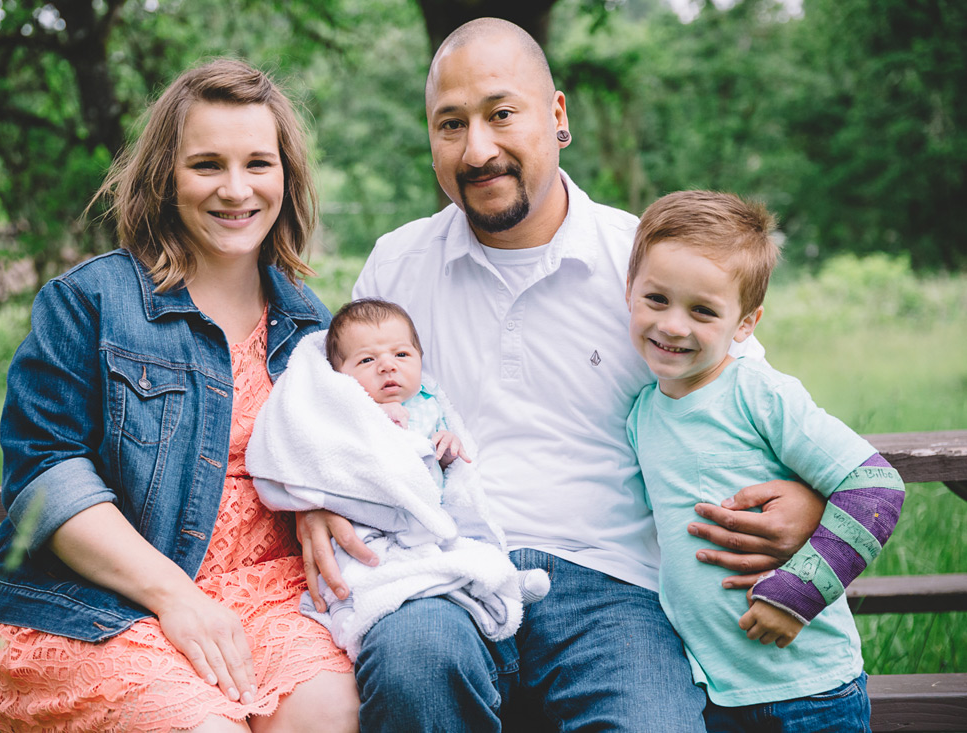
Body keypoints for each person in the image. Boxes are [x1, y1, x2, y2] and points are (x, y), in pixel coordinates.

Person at [297, 17, 830, 733]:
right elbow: (334, 414)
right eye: (450, 124)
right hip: (443, 574)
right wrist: (312, 495)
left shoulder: (642, 262)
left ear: (556, 116)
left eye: (501, 114)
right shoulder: (398, 265)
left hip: (612, 585)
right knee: (413, 664)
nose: (477, 148)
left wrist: (807, 499)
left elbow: (750, 403)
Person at [0, 59, 359, 732]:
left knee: (331, 712)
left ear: (286, 178)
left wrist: (326, 496)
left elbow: (343, 448)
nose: (237, 190)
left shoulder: (310, 324)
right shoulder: (90, 302)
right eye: (207, 164)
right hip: (95, 604)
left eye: (258, 164)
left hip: (265, 596)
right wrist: (176, 596)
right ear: (166, 179)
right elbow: (44, 473)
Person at [625, 190, 905, 731]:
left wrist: (796, 593)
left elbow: (874, 487)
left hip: (808, 687)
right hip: (716, 688)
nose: (673, 326)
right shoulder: (642, 414)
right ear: (629, 293)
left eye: (703, 311)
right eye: (656, 300)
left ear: (746, 323)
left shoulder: (757, 393)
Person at [246, 298, 549, 660]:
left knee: (466, 537)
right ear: (338, 374)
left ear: (421, 359)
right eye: (367, 360)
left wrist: (450, 444)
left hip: (430, 514)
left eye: (401, 355)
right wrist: (377, 425)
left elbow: (447, 457)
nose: (387, 366)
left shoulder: (429, 402)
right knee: (356, 562)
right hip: (374, 519)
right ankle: (348, 610)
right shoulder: (351, 409)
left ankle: (496, 582)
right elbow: (329, 453)